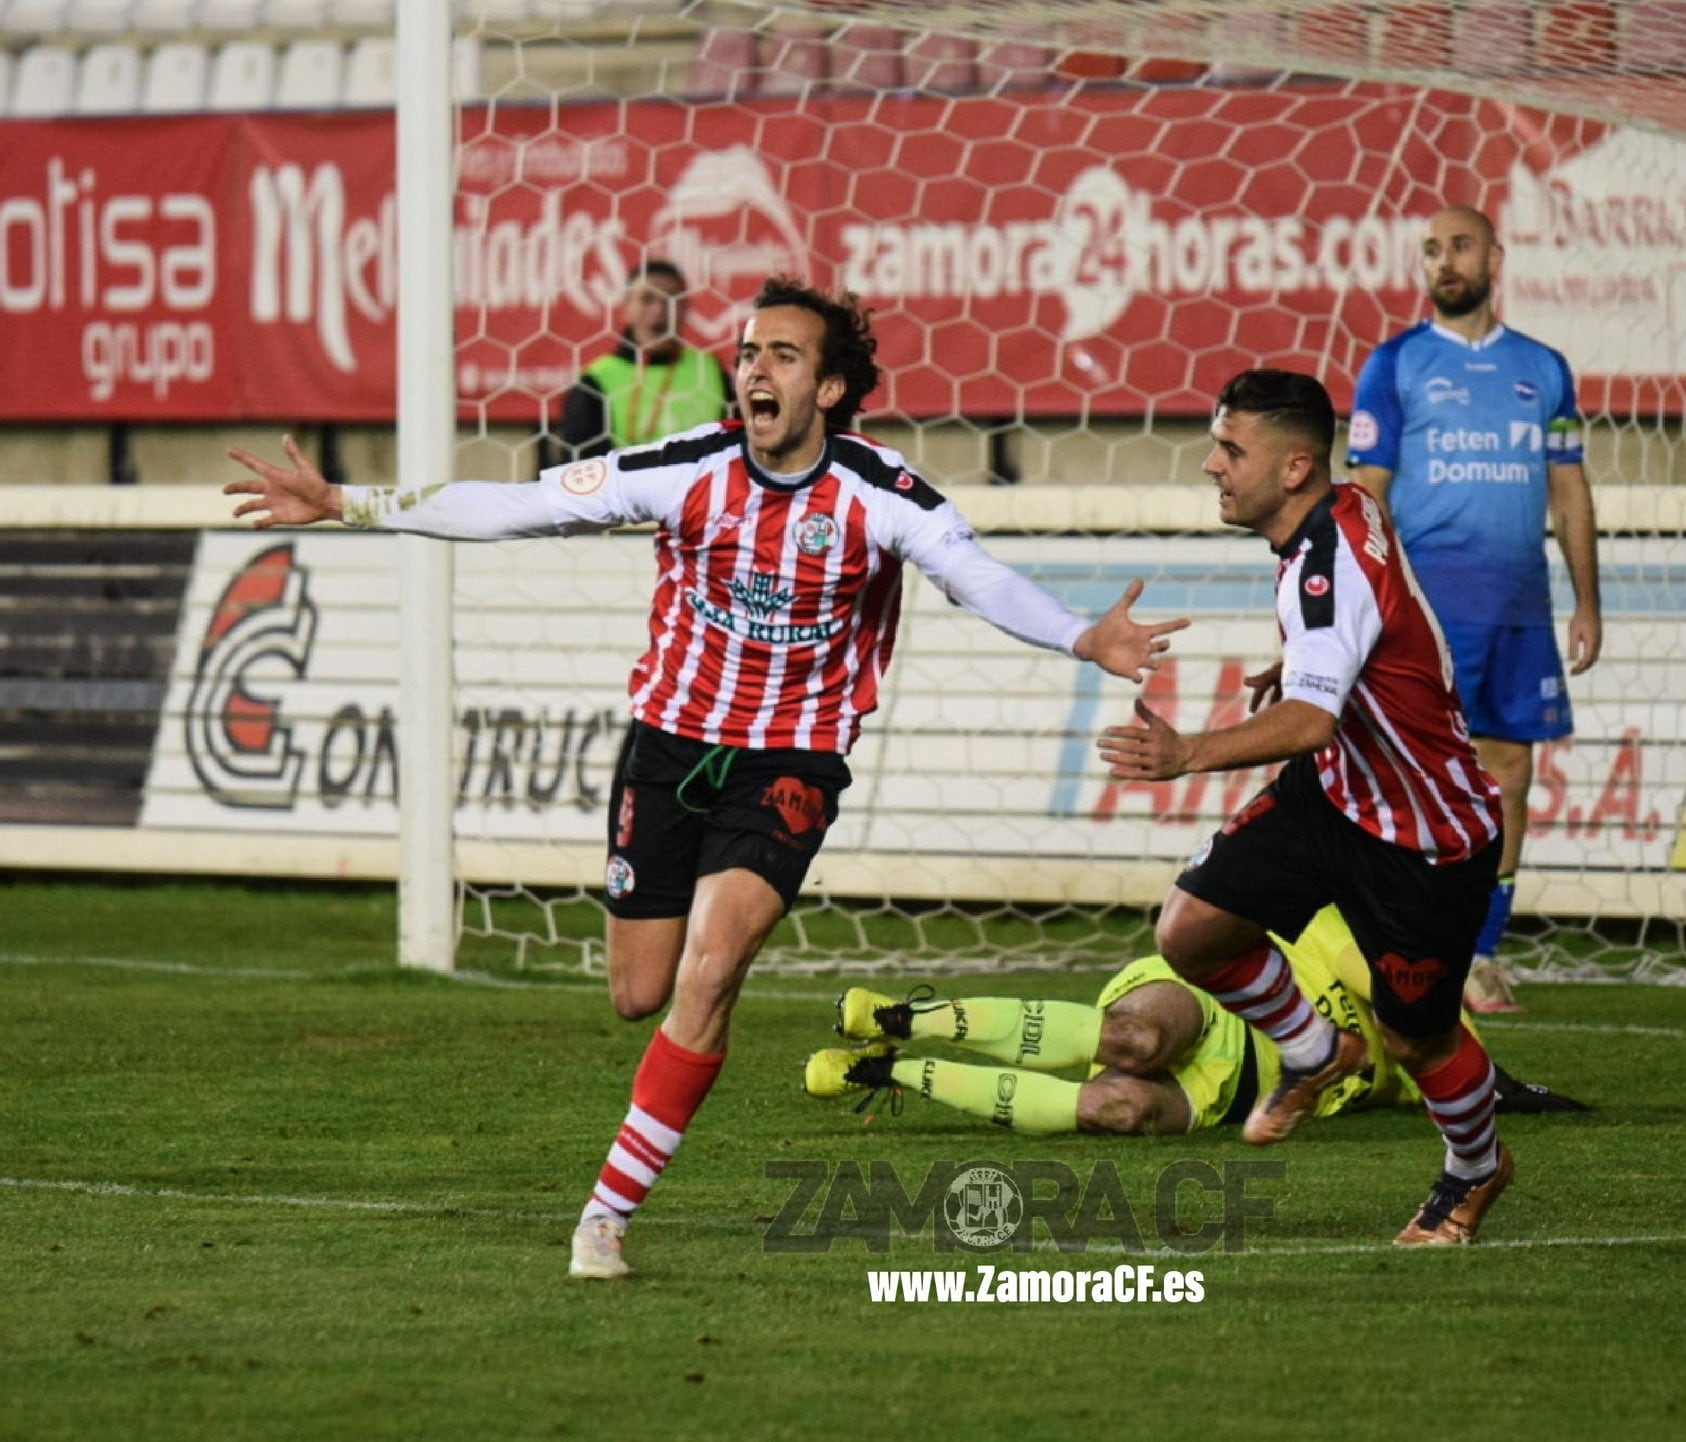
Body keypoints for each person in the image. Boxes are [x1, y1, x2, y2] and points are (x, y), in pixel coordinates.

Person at [223, 275, 1187, 1281]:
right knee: (640, 991)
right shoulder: (686, 468)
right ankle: (667, 1070)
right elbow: (522, 504)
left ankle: (603, 1216)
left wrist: (1081, 634)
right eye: (748, 352)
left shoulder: (879, 490)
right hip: (671, 745)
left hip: (791, 758)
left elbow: (975, 574)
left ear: (829, 388)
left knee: (711, 969)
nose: (754, 370)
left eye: (782, 355)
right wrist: (349, 502)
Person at [1096, 367, 1514, 1247]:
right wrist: (1315, 656)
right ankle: (1318, 1050)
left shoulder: (1322, 568)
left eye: (1230, 449)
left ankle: (1476, 1169)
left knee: (1421, 1044)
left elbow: (1314, 720)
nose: (1213, 465)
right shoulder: (1348, 506)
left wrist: (1186, 754)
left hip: (1424, 837)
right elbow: (1376, 618)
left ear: (1293, 469)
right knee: (1191, 932)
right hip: (1335, 794)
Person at [1346, 206, 1603, 1013]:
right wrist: (1349, 606)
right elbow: (1365, 495)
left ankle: (1483, 955)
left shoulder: (1544, 369)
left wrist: (1589, 600)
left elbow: (1568, 488)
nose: (1444, 262)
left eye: (1459, 246)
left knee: (1510, 773)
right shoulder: (1393, 365)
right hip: (1421, 614)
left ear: (1494, 255)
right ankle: (1396, 944)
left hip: (1519, 608)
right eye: (1431, 251)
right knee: (1403, 773)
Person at [802, 905, 1587, 1134]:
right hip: (1221, 998)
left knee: (1120, 1104)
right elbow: (1390, 987)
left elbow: (1448, 1077)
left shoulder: (1419, 1067)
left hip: (1232, 1096)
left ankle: (886, 1068)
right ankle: (910, 1018)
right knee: (1136, 1040)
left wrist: (1497, 1090)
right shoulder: (1358, 938)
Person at [553, 259, 731, 464]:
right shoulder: (596, 380)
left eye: (672, 299)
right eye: (647, 299)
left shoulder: (710, 369)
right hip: (625, 494)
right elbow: (581, 468)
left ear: (686, 308)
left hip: (701, 492)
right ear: (626, 308)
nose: (659, 309)